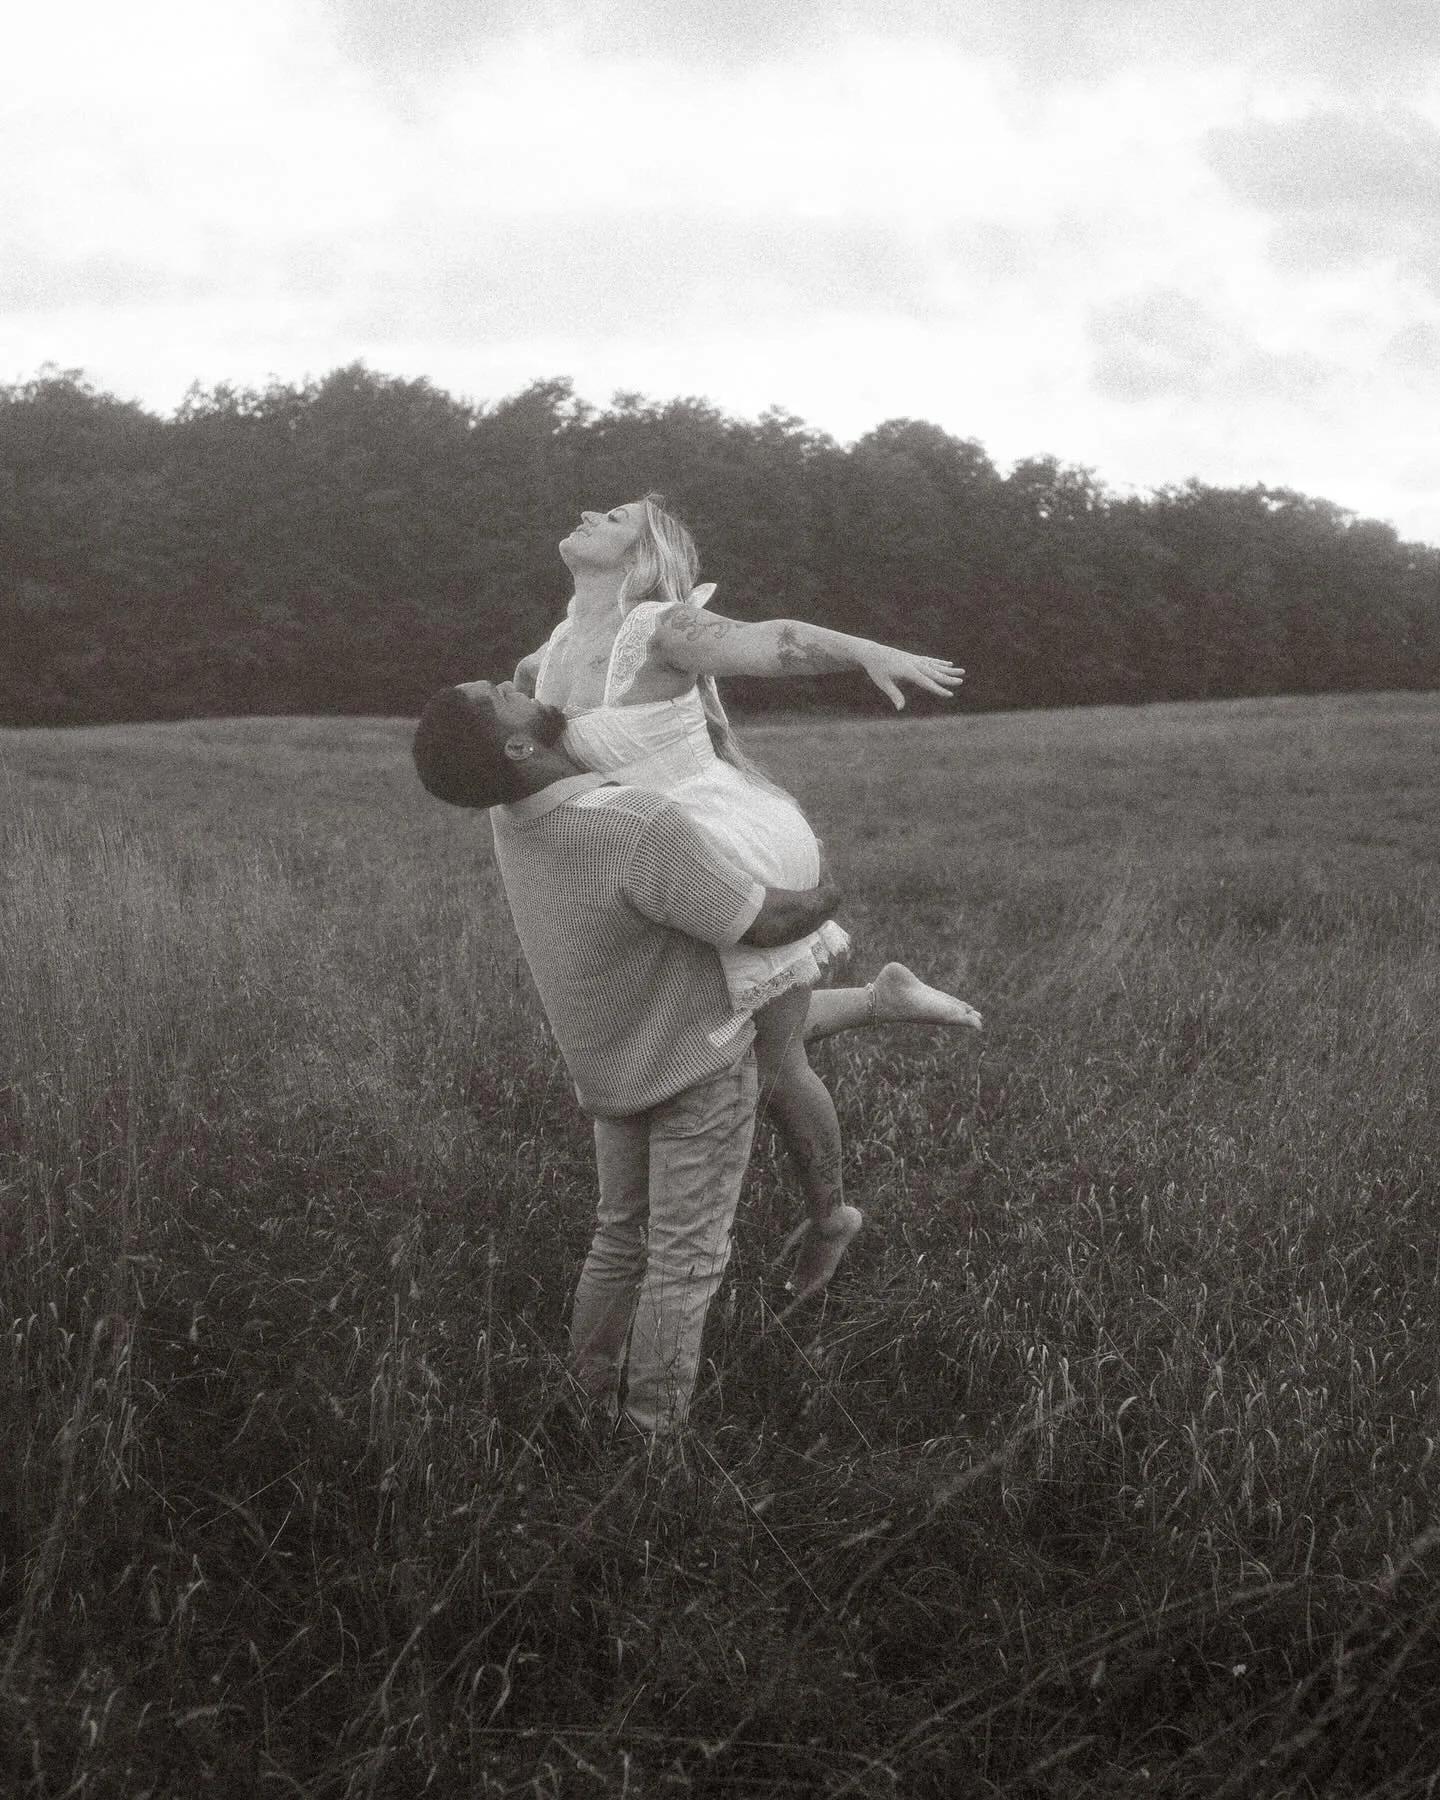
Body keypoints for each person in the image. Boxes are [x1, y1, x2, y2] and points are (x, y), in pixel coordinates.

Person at [511, 494, 981, 1296]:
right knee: (715, 1025)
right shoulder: (552, 650)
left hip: (725, 846)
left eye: (615, 515)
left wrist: (870, 651)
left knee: (769, 1057)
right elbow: (512, 718)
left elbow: (781, 643)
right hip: (649, 859)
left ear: (644, 554)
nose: (590, 512)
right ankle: (879, 999)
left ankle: (833, 1218)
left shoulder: (660, 628)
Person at [411, 678, 841, 1437]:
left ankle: (583, 1399)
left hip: (611, 1068)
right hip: (697, 1068)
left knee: (619, 1236)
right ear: (519, 746)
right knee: (686, 1260)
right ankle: (652, 1434)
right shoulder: (634, 827)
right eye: (502, 694)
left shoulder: (508, 820)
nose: (515, 682)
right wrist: (828, 887)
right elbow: (766, 922)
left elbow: (548, 750)